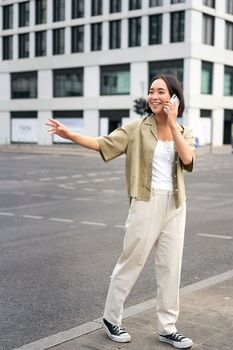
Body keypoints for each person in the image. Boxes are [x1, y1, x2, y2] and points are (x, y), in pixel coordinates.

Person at [46, 74, 195, 349]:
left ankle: (168, 328)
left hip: (176, 204)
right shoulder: (136, 128)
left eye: (160, 91)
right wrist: (70, 135)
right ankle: (112, 318)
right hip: (145, 202)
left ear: (174, 97)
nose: (154, 96)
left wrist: (173, 123)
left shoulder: (183, 132)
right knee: (131, 261)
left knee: (170, 268)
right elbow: (103, 144)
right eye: (151, 91)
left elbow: (187, 159)